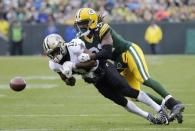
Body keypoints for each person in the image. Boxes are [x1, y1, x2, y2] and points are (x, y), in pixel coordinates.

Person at [73, 8, 184, 123]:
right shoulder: (80, 39)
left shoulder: (102, 28)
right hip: (118, 61)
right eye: (79, 24)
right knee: (131, 92)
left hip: (128, 51)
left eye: (84, 24)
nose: (81, 27)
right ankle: (166, 105)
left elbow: (107, 52)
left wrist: (90, 57)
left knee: (143, 78)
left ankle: (173, 103)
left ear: (92, 22)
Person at [43, 34, 169, 125]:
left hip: (103, 67)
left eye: (55, 51)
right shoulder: (54, 65)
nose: (55, 56)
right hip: (95, 80)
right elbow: (70, 83)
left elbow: (92, 61)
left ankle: (159, 109)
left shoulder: (74, 46)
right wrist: (68, 77)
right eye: (51, 54)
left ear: (62, 45)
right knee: (119, 101)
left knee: (127, 90)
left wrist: (75, 65)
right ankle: (149, 117)